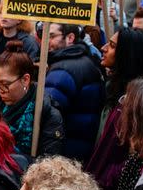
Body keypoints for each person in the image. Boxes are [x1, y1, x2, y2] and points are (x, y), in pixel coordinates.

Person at [85, 27, 143, 190]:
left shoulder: (139, 102)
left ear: (127, 55)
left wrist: (109, 178)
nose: (104, 48)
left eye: (113, 46)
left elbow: (134, 156)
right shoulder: (114, 88)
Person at [0, 42, 64, 158]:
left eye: (5, 84)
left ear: (25, 79)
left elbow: (48, 163)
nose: (0, 90)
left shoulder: (47, 114)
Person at [45, 23, 104, 161]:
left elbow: (47, 111)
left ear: (70, 37)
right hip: (79, 144)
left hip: (66, 148)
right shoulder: (82, 60)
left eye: (52, 36)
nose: (46, 41)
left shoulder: (63, 69)